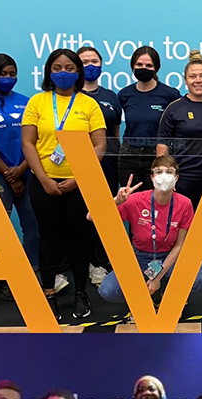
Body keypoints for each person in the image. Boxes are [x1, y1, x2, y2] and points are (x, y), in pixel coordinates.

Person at [22, 48, 107, 323]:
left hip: (79, 183)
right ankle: (49, 294)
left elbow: (100, 146)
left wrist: (79, 178)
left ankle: (80, 292)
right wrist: (44, 178)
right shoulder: (37, 102)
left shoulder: (88, 105)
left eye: (70, 68)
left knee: (79, 238)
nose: (63, 72)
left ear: (78, 72)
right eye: (57, 67)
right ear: (49, 71)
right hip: (43, 182)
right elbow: (28, 143)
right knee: (48, 238)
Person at [97, 155, 202, 311]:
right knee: (108, 290)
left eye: (169, 172)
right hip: (140, 258)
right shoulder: (136, 200)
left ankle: (166, 293)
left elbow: (179, 245)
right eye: (159, 172)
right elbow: (91, 217)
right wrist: (117, 201)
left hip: (170, 257)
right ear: (152, 177)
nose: (164, 176)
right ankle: (146, 299)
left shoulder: (185, 204)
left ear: (176, 178)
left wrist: (157, 277)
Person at [156, 50, 202, 304]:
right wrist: (164, 181)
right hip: (182, 183)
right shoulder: (174, 109)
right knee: (178, 233)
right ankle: (178, 283)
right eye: (193, 76)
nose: (198, 80)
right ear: (185, 80)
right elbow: (162, 147)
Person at [0, 53, 39, 300]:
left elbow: (34, 141)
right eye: (3, 74)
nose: (8, 78)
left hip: (26, 171)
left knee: (33, 227)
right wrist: (8, 174)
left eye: (12, 74)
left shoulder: (27, 102)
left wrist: (22, 169)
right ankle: (2, 281)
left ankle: (32, 273)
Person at [77, 44, 122, 287]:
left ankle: (99, 264)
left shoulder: (111, 97)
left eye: (94, 61)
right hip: (77, 167)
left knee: (103, 217)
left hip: (109, 165)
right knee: (78, 216)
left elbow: (115, 132)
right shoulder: (70, 96)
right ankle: (73, 266)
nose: (90, 66)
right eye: (84, 62)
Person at [116, 46, 180, 190]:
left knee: (154, 202)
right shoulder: (124, 95)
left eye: (148, 65)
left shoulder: (170, 94)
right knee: (129, 202)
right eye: (139, 65)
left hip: (156, 156)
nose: (143, 68)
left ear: (156, 68)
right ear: (133, 66)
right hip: (129, 156)